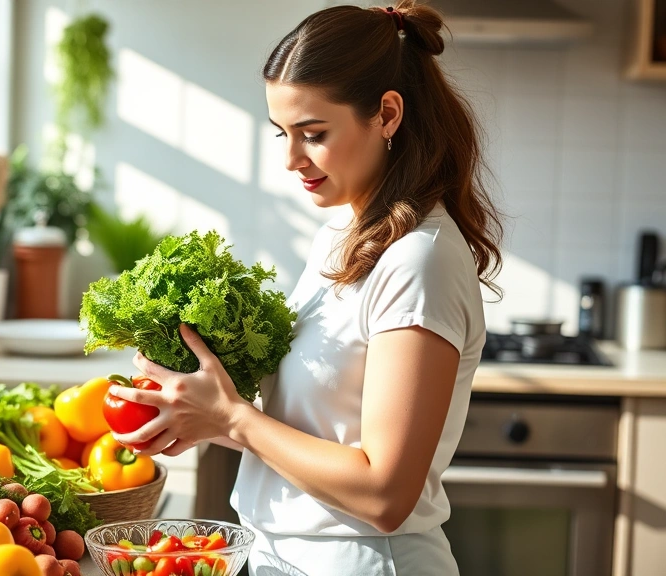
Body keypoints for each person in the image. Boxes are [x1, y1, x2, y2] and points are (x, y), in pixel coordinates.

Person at [109, 1, 503, 574]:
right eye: (282, 133)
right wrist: (203, 415)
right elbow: (314, 433)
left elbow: (385, 494)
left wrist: (235, 418)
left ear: (387, 114)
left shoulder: (418, 261)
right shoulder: (344, 233)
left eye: (313, 134)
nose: (292, 158)